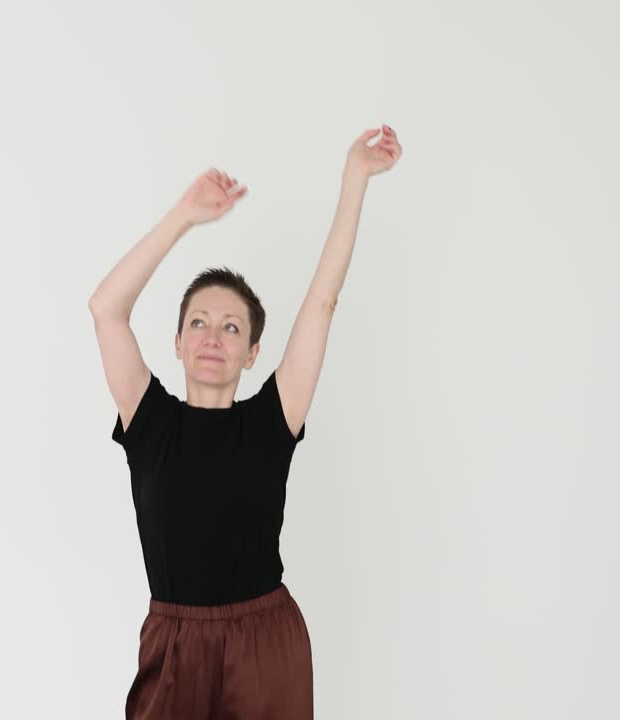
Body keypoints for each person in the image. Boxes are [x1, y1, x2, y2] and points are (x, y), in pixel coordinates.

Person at [88, 125, 402, 719]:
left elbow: (322, 300)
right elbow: (106, 308)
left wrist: (354, 179)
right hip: (174, 644)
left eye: (232, 327)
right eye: (199, 323)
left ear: (252, 351)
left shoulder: (270, 421)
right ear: (177, 343)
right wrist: (183, 217)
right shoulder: (150, 422)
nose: (213, 336)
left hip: (264, 644)